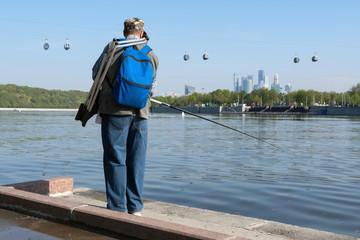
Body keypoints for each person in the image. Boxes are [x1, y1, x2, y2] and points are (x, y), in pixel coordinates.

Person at [92, 18, 159, 216]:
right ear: (141, 32)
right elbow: (152, 88)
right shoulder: (151, 54)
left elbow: (96, 74)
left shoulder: (113, 48)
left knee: (115, 159)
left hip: (114, 113)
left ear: (124, 30)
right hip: (141, 114)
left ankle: (117, 207)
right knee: (137, 161)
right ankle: (135, 208)